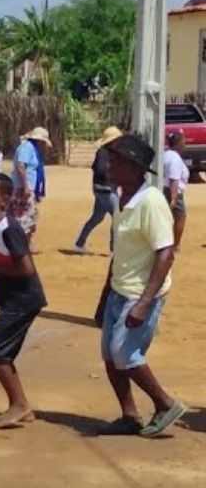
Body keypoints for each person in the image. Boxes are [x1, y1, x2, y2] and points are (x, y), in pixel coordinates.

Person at [93, 134, 186, 437]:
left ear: (134, 169)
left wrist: (145, 302)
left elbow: (166, 252)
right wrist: (106, 293)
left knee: (125, 354)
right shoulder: (122, 198)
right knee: (109, 355)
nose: (109, 166)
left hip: (141, 293)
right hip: (118, 290)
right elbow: (121, 251)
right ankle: (129, 415)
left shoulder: (151, 202)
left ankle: (164, 404)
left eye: (116, 162)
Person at [0, 173, 46, 429]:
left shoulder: (9, 228)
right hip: (14, 302)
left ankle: (19, 404)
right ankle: (20, 405)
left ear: (4, 199)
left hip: (23, 301)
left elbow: (26, 269)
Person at [72, 126, 121, 254]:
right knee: (117, 217)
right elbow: (100, 169)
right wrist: (113, 175)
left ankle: (79, 243)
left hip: (102, 189)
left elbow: (95, 167)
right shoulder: (104, 152)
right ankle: (114, 249)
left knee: (97, 218)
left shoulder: (108, 152)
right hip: (106, 190)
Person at [10, 127, 51, 251]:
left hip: (27, 188)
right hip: (22, 188)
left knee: (29, 215)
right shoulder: (27, 148)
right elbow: (21, 166)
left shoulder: (32, 149)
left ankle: (26, 243)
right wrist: (26, 186)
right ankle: (22, 244)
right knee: (24, 216)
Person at [162, 130, 190, 251]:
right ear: (178, 143)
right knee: (180, 217)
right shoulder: (175, 159)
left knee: (166, 218)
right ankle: (175, 245)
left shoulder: (165, 154)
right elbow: (174, 179)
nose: (185, 143)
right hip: (173, 192)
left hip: (164, 189)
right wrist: (173, 198)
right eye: (183, 140)